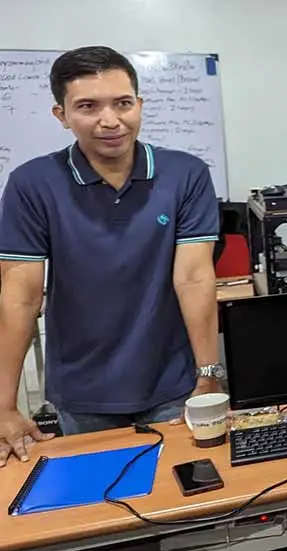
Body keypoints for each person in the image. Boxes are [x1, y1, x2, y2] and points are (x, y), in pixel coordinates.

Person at [0, 46, 223, 462]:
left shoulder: (186, 174)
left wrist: (208, 374)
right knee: (103, 507)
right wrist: (4, 405)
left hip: (171, 383)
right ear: (61, 115)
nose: (110, 120)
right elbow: (20, 295)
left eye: (122, 103)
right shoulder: (31, 184)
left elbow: (193, 278)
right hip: (82, 392)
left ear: (138, 105)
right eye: (88, 106)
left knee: (184, 502)